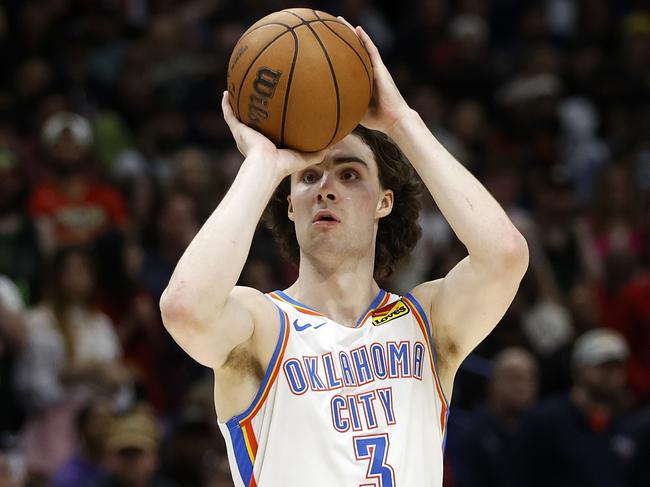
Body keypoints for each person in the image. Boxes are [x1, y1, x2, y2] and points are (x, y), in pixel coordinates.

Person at [160, 21, 528, 486]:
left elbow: (506, 255)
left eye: (349, 174)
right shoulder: (263, 326)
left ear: (384, 202)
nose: (326, 188)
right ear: (288, 203)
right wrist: (263, 164)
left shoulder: (428, 323)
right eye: (309, 177)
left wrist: (402, 123)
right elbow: (183, 308)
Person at [515, 328, 637, 487]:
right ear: (580, 367)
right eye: (604, 366)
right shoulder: (544, 421)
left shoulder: (627, 428)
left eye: (618, 367)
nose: (612, 375)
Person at [452, 348, 539, 487]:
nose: (521, 386)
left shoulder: (542, 432)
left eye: (529, 378)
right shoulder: (472, 432)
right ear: (492, 382)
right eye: (513, 378)